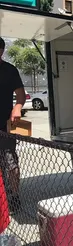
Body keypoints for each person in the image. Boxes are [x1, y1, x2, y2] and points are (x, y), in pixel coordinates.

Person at [0, 37, 26, 213]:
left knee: (11, 164)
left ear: (1, 51)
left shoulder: (10, 70)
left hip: (6, 127)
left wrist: (17, 107)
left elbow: (21, 95)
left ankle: (14, 196)